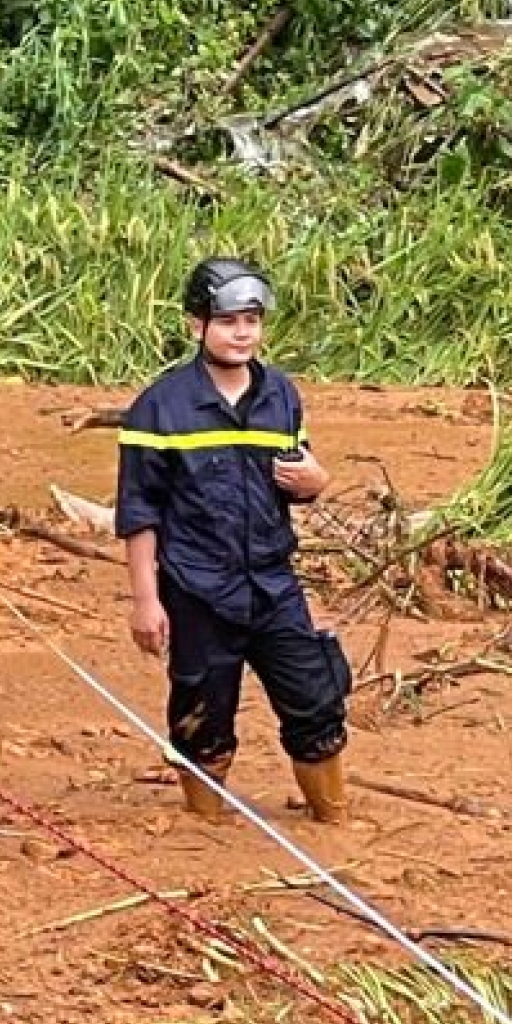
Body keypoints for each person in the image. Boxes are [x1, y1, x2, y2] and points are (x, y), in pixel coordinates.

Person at [115, 257, 351, 823]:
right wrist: (146, 601)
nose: (242, 333)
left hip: (273, 584)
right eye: (228, 321)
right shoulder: (159, 407)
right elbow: (139, 511)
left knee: (316, 699)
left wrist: (318, 482)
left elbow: (300, 476)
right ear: (197, 325)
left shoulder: (281, 395)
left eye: (251, 320)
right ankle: (207, 831)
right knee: (202, 714)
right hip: (197, 589)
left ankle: (334, 820)